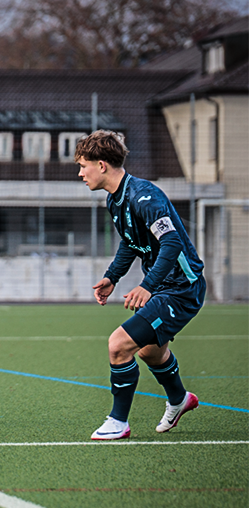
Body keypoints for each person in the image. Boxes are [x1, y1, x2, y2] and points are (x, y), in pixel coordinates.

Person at [76, 130, 204, 441]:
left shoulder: (145, 196)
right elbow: (131, 242)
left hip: (181, 288)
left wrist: (146, 285)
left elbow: (171, 242)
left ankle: (118, 421)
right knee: (149, 351)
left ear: (102, 165)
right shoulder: (115, 199)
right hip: (163, 287)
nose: (80, 174)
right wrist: (112, 277)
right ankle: (179, 399)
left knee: (119, 345)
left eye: (83, 166)